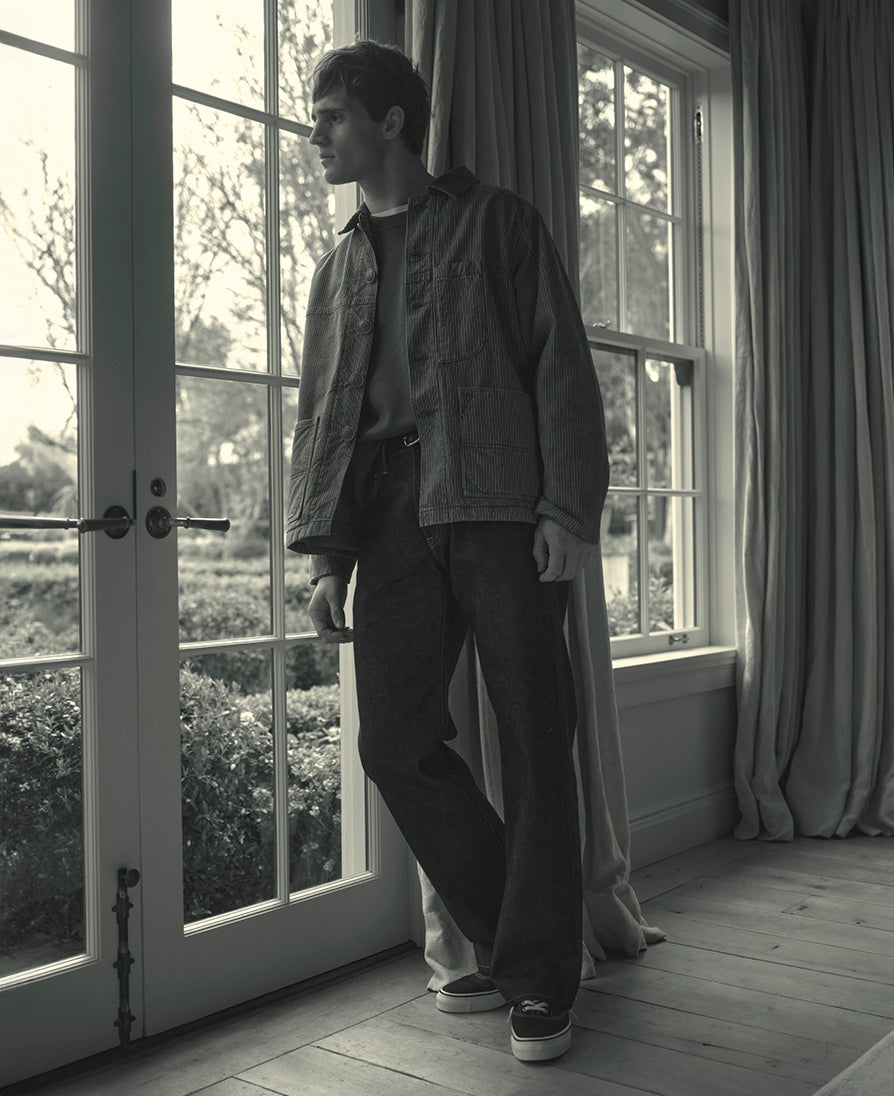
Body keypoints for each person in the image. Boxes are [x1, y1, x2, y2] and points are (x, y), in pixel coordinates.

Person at [286, 39, 608, 1063]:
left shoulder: (500, 224)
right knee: (394, 745)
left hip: (505, 509)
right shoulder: (335, 267)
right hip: (385, 520)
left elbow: (560, 363)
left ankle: (541, 984)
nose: (315, 132)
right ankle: (529, 942)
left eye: (330, 114)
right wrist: (327, 554)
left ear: (389, 119)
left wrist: (565, 508)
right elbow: (324, 419)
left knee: (533, 738)